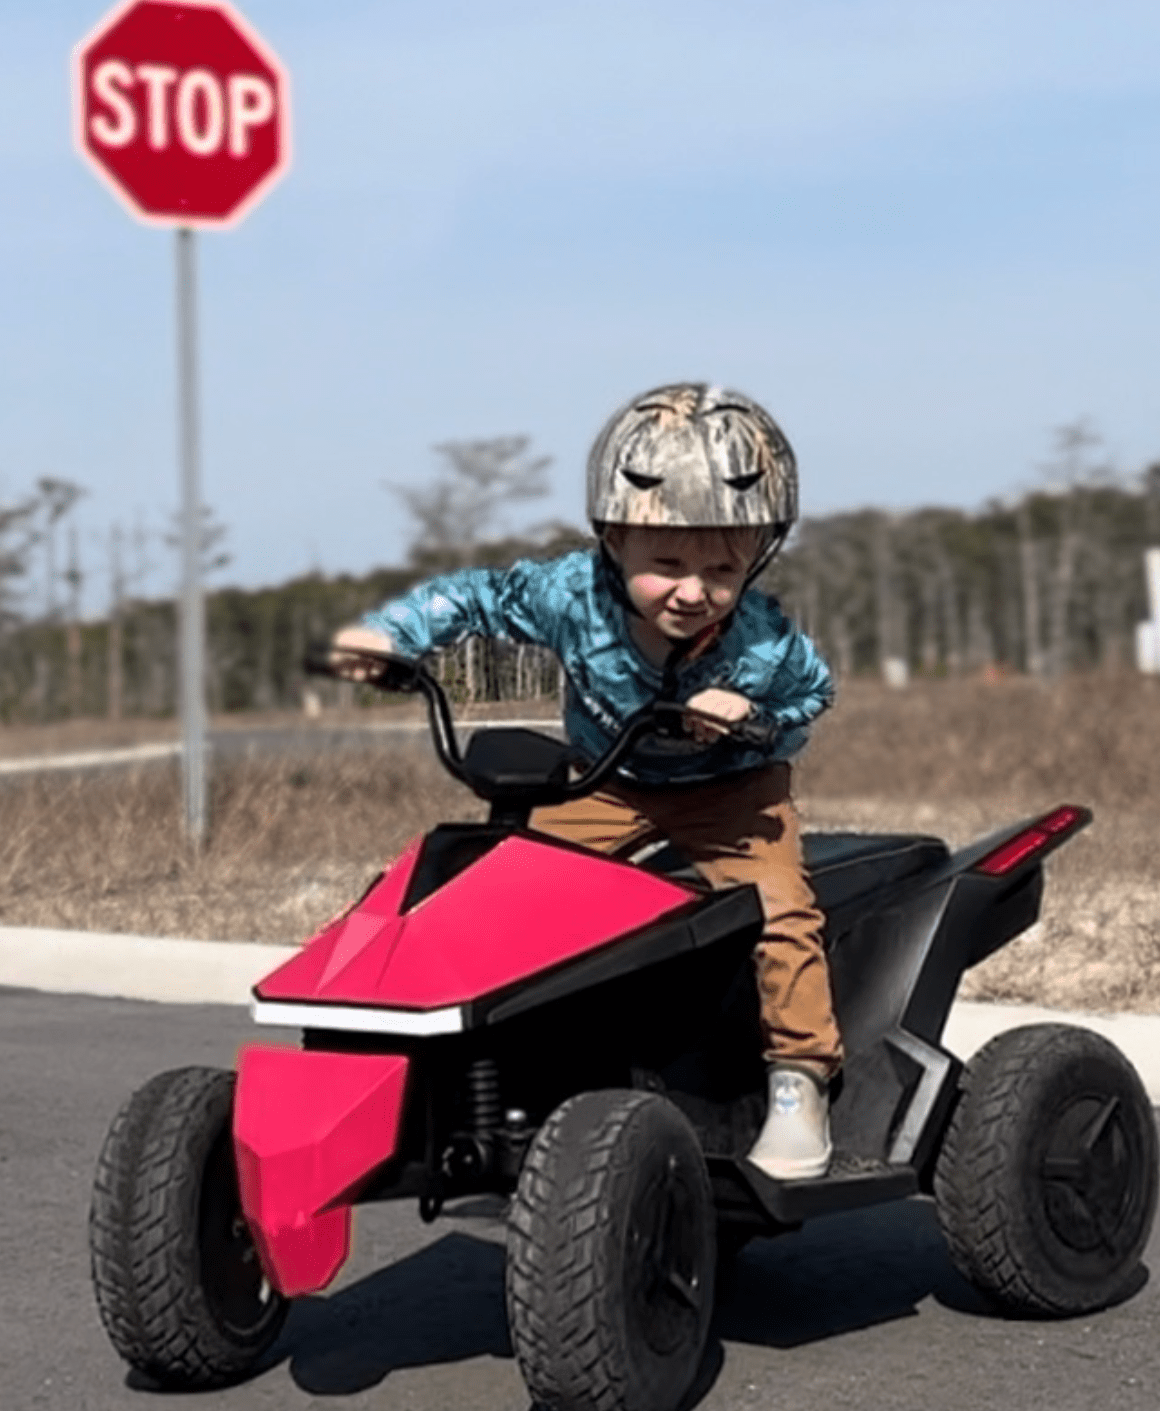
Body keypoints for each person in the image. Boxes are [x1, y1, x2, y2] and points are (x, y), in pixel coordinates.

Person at [331, 382, 841, 1180]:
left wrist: (752, 713)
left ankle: (798, 1081)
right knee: (509, 894)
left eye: (722, 567)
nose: (693, 589)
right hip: (606, 782)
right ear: (612, 538)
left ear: (758, 556)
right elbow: (473, 597)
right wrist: (388, 637)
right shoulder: (572, 597)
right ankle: (510, 1064)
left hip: (733, 794)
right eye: (667, 562)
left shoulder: (762, 637)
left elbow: (815, 692)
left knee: (780, 916)